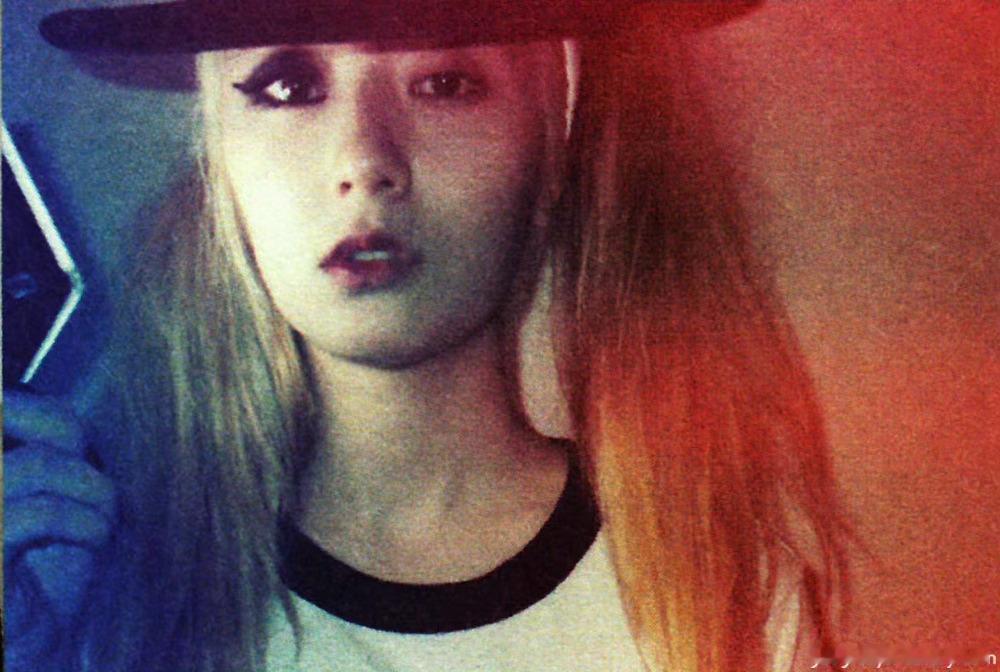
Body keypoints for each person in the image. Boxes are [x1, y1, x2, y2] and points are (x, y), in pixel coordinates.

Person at [4, 1, 863, 671]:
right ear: (219, 161)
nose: (364, 159)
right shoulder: (114, 600)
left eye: (445, 83)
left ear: (551, 145)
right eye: (289, 87)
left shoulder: (724, 591)